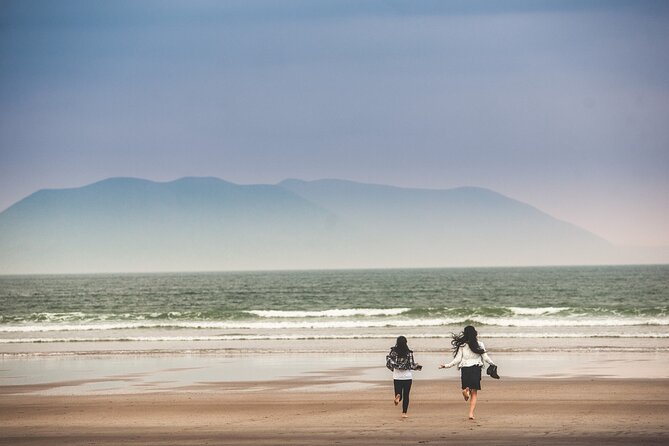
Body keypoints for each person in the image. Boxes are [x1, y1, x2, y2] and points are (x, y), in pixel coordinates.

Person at [439, 325, 496, 420]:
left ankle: (466, 390)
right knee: (474, 393)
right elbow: (485, 357)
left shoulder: (462, 345)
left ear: (465, 334)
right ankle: (471, 414)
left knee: (468, 388)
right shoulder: (480, 344)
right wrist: (492, 364)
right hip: (475, 369)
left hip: (465, 369)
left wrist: (446, 365)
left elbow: (457, 359)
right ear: (475, 333)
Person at [386, 335, 422, 418]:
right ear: (406, 343)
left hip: (397, 376)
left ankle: (398, 398)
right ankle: (404, 413)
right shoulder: (409, 352)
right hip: (407, 377)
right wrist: (418, 367)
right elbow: (411, 365)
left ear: (397, 343)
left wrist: (393, 369)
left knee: (398, 393)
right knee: (406, 395)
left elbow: (389, 363)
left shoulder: (393, 352)